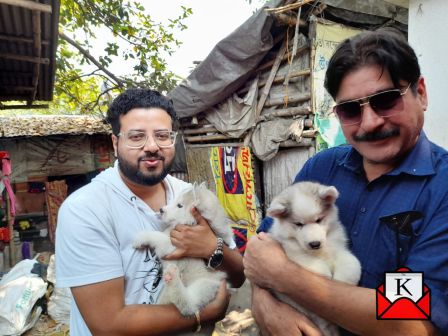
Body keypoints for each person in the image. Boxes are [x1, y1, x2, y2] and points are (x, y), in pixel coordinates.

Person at [244, 27, 448, 335]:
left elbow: (411, 321)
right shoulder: (321, 169)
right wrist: (264, 304)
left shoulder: (441, 189)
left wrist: (285, 278)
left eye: (386, 100)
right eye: (351, 109)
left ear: (421, 93)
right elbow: (263, 254)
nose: (370, 122)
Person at [55, 88, 245, 335]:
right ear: (116, 142)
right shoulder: (85, 210)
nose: (153, 146)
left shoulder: (188, 195)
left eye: (162, 135)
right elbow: (108, 325)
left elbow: (239, 275)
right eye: (136, 137)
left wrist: (213, 248)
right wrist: (204, 313)